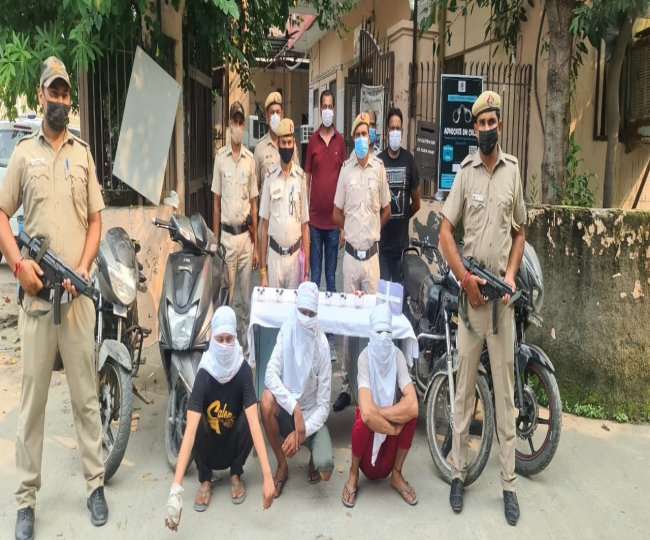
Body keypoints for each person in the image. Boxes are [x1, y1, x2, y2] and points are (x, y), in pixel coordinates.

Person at [0, 57, 107, 540]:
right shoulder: (25, 154)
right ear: (41, 95)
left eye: (66, 94)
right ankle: (26, 500)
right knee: (33, 405)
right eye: (54, 93)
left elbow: (97, 221)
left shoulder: (83, 155)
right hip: (38, 302)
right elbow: (3, 215)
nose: (60, 101)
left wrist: (82, 268)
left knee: (86, 398)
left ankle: (95, 484)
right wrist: (19, 266)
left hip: (76, 300)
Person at [438, 90, 527, 526]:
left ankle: (508, 484)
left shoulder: (513, 172)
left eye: (493, 122)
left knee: (506, 397)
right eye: (481, 123)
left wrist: (509, 274)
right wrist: (465, 279)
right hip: (472, 306)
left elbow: (520, 231)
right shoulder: (465, 174)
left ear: (499, 125)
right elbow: (445, 233)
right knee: (465, 393)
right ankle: (458, 473)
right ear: (473, 128)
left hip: (501, 308)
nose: (487, 129)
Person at [165, 307, 275, 531]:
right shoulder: (204, 375)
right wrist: (175, 490)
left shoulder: (242, 371)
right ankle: (205, 479)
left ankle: (236, 474)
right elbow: (190, 433)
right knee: (193, 421)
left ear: (236, 338)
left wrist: (268, 477)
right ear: (212, 338)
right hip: (208, 446)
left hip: (234, 443)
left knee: (251, 416)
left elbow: (255, 426)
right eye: (220, 339)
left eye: (229, 339)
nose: (224, 344)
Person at [332, 113, 391, 412]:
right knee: (347, 324)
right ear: (352, 138)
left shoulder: (379, 169)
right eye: (357, 134)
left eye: (364, 134)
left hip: (372, 260)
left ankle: (370, 385)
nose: (361, 139)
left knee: (373, 323)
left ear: (371, 137)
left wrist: (372, 230)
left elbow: (387, 209)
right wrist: (350, 231)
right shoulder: (345, 171)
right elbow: (336, 212)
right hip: (351, 259)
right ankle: (346, 385)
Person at [341, 303, 419, 508]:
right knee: (362, 420)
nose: (384, 337)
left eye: (388, 332)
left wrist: (380, 414)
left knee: (411, 417)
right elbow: (367, 414)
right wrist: (393, 429)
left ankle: (397, 474)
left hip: (388, 448)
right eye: (379, 331)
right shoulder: (364, 358)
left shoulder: (397, 355)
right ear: (370, 332)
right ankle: (353, 474)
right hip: (368, 449)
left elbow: (413, 406)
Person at [261, 282, 334, 498]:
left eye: (311, 313)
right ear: (296, 308)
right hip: (289, 410)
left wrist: (302, 431)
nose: (306, 317)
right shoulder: (287, 330)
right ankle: (282, 465)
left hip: (311, 416)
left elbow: (324, 406)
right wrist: (294, 408)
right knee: (266, 401)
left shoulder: (322, 345)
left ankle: (313, 455)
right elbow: (270, 374)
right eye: (303, 311)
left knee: (326, 470)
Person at [212, 101, 259, 355]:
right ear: (229, 125)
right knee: (227, 299)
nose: (238, 127)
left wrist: (256, 247)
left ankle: (244, 348)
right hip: (227, 240)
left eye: (241, 122)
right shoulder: (220, 159)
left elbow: (254, 205)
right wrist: (216, 240)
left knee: (245, 300)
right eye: (235, 122)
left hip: (245, 240)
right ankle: (225, 347)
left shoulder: (250, 160)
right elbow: (216, 203)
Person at [259, 118, 310, 289]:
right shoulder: (269, 177)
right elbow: (264, 226)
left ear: (294, 144)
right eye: (283, 143)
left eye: (289, 142)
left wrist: (306, 271)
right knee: (274, 305)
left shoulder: (301, 177)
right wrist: (263, 272)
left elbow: (305, 226)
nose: (287, 147)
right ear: (278, 145)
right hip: (274, 258)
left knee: (293, 305)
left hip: (295, 259)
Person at [305, 89, 345, 295]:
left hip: (334, 224)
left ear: (334, 109)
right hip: (314, 222)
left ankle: (330, 317)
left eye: (330, 106)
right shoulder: (312, 141)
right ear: (320, 109)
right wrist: (305, 217)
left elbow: (345, 182)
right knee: (314, 278)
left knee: (331, 279)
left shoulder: (341, 141)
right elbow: (307, 178)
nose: (328, 110)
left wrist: (344, 225)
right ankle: (313, 315)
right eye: (324, 106)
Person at [377, 107, 421, 283]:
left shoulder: (409, 160)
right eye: (392, 128)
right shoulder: (379, 161)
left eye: (398, 128)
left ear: (402, 131)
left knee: (399, 294)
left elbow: (416, 203)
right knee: (382, 293)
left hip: (402, 247)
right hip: (382, 246)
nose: (395, 132)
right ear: (387, 131)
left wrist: (402, 218)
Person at [254, 91, 298, 194]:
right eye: (272, 112)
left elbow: (296, 176)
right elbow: (255, 188)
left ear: (282, 114)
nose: (275, 116)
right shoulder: (260, 148)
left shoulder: (290, 146)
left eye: (278, 112)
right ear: (267, 116)